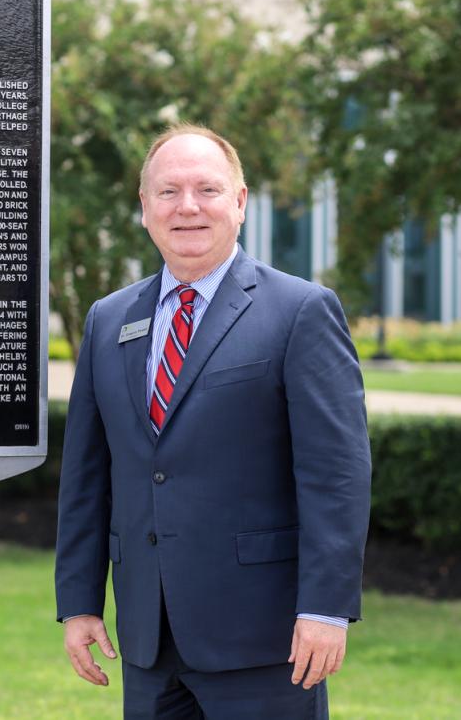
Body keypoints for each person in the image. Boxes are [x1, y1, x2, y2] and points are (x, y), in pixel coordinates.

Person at [54, 125, 371, 719]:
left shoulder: (300, 312)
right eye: (168, 192)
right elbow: (87, 477)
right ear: (144, 208)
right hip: (150, 639)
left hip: (264, 638)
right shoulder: (107, 319)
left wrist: (326, 609)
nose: (188, 207)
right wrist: (79, 602)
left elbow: (337, 477)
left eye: (207, 188)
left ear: (241, 202)